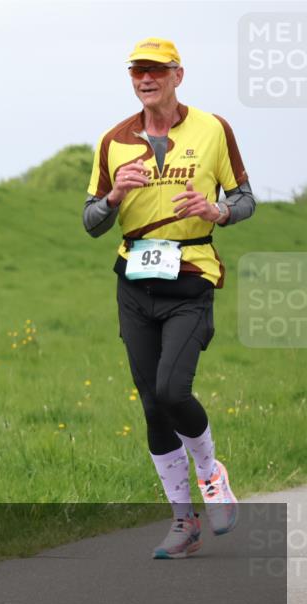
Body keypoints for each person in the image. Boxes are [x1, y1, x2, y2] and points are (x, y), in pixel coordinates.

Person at [84, 38, 256, 559]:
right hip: (135, 283)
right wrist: (114, 196)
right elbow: (91, 221)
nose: (146, 79)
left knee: (172, 390)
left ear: (178, 75)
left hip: (191, 277)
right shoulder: (113, 140)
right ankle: (184, 522)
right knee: (152, 404)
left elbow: (245, 199)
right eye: (138, 71)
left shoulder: (213, 129)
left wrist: (217, 211)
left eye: (156, 70)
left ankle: (211, 475)